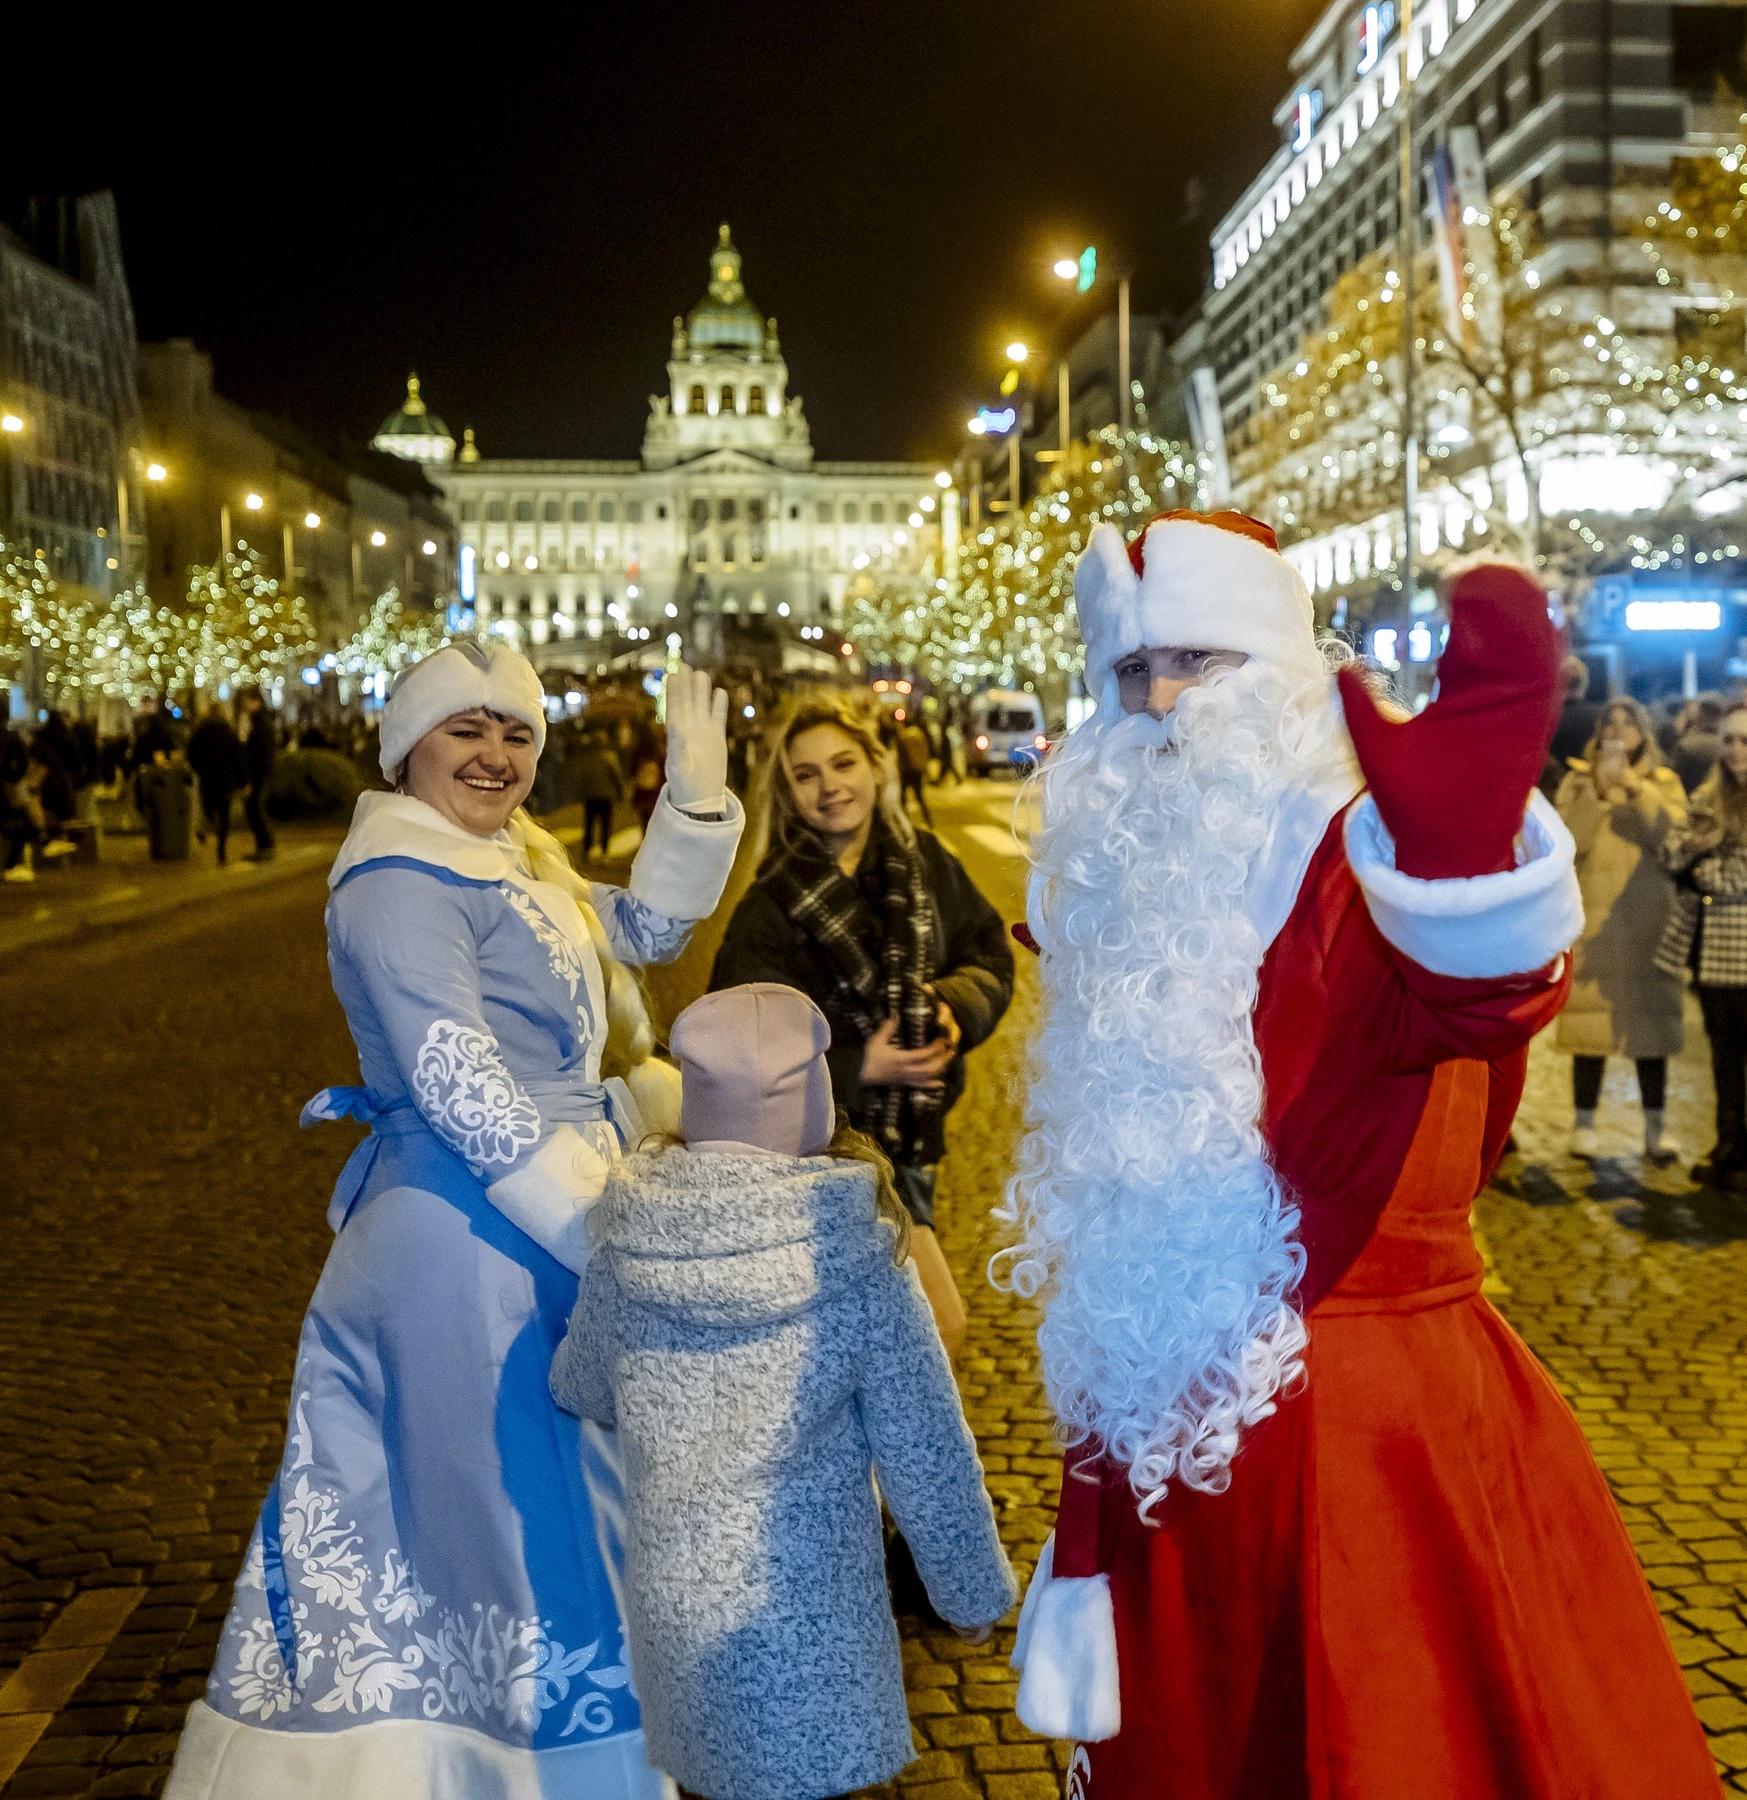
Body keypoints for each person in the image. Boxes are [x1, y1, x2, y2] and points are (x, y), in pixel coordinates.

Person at [1003, 509, 1720, 1798]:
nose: (1156, 702)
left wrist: (1464, 861)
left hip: (1368, 1441)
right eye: (1129, 672)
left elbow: (1477, 995)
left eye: (1195, 663)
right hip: (1166, 1443)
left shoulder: (1355, 861)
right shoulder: (1136, 889)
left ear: (1279, 675)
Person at [163, 645, 744, 1798]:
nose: (495, 756)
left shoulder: (508, 856)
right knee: (494, 1525)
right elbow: (460, 1083)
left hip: (543, 1216)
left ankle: (556, 1758)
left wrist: (693, 802)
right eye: (465, 730)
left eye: (516, 734)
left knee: (538, 1517)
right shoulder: (394, 880)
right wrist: (616, 1244)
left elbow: (641, 932)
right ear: (406, 745)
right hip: (466, 1240)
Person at [551, 982, 1014, 1800]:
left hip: (682, 1617)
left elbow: (580, 1385)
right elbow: (928, 1451)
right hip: (813, 1623)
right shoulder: (861, 1260)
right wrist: (967, 1593)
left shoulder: (629, 1247)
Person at [710, 692, 1013, 1362]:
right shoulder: (769, 906)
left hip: (908, 1148)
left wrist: (954, 1009)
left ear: (877, 766)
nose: (829, 787)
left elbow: (987, 951)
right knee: (934, 1328)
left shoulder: (924, 864)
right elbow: (730, 1057)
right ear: (786, 793)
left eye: (843, 764)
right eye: (806, 774)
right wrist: (858, 1067)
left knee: (867, 1354)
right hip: (823, 1157)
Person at [1553, 696, 1688, 1161]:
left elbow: (1675, 841)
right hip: (1594, 916)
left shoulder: (1662, 782)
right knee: (1588, 1023)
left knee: (1653, 1023)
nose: (1617, 732)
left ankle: (1656, 1126)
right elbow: (1566, 844)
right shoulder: (1577, 779)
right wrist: (1595, 791)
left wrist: (1635, 790)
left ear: (1643, 733)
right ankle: (1584, 1120)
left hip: (1649, 916)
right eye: (1609, 724)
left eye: (1627, 725)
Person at [1659, 704, 1747, 1188]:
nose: (1735, 750)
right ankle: (1728, 1146)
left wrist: (1703, 867)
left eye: (1745, 742)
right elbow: (1671, 851)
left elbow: (1735, 878)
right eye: (1730, 741)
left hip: (1742, 949)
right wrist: (1694, 849)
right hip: (1714, 952)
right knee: (1724, 1056)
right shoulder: (1709, 795)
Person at [186, 703, 243, 866]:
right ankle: (221, 850)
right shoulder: (229, 732)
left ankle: (206, 828)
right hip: (226, 780)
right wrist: (242, 780)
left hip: (207, 777)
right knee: (224, 816)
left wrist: (198, 768)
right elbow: (238, 757)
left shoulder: (200, 733)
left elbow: (191, 753)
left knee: (207, 808)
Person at [1539, 651, 1602, 797]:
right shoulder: (1602, 718)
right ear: (1584, 683)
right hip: (1593, 796)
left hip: (1552, 797)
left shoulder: (1542, 722)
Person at [237, 686, 277, 863]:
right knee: (254, 808)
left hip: (258, 774)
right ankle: (264, 846)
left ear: (256, 702)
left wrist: (253, 776)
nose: (244, 704)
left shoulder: (260, 723)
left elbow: (260, 752)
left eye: (247, 700)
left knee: (254, 808)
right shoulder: (258, 721)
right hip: (259, 773)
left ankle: (266, 846)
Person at [578, 729, 626, 860]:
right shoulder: (610, 757)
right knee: (605, 825)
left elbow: (582, 778)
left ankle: (587, 851)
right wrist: (621, 793)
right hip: (606, 796)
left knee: (589, 824)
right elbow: (617, 777)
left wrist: (581, 793)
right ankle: (604, 852)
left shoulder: (587, 759)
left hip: (591, 796)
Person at [1669, 694, 1725, 794]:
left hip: (1691, 800)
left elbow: (1675, 779)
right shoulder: (1730, 745)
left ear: (1699, 715)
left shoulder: (1686, 745)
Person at [896, 716, 933, 824]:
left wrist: (900, 769)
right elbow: (926, 751)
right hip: (918, 769)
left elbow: (901, 756)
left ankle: (905, 820)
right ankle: (928, 819)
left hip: (907, 770)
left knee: (903, 798)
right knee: (920, 797)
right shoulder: (919, 734)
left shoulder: (903, 736)